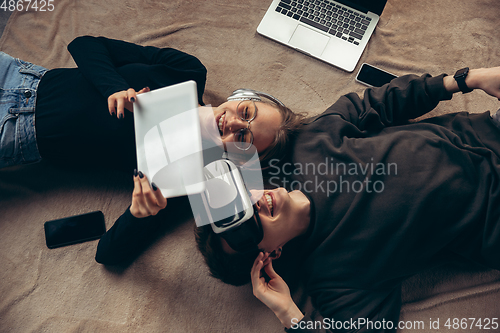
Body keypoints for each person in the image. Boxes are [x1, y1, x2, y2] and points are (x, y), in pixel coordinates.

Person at [194, 66, 500, 332]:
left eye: (239, 197)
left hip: (488, 131)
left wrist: (468, 79)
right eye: (245, 225)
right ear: (269, 256)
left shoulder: (308, 142)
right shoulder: (333, 278)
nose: (254, 202)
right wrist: (289, 314)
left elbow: (383, 101)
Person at [0, 35, 303, 172]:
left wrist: (142, 212)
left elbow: (108, 252)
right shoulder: (189, 71)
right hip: (21, 75)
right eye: (247, 113)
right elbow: (85, 45)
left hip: (15, 133)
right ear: (242, 96)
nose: (234, 123)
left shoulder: (181, 172)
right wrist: (115, 87)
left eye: (243, 137)